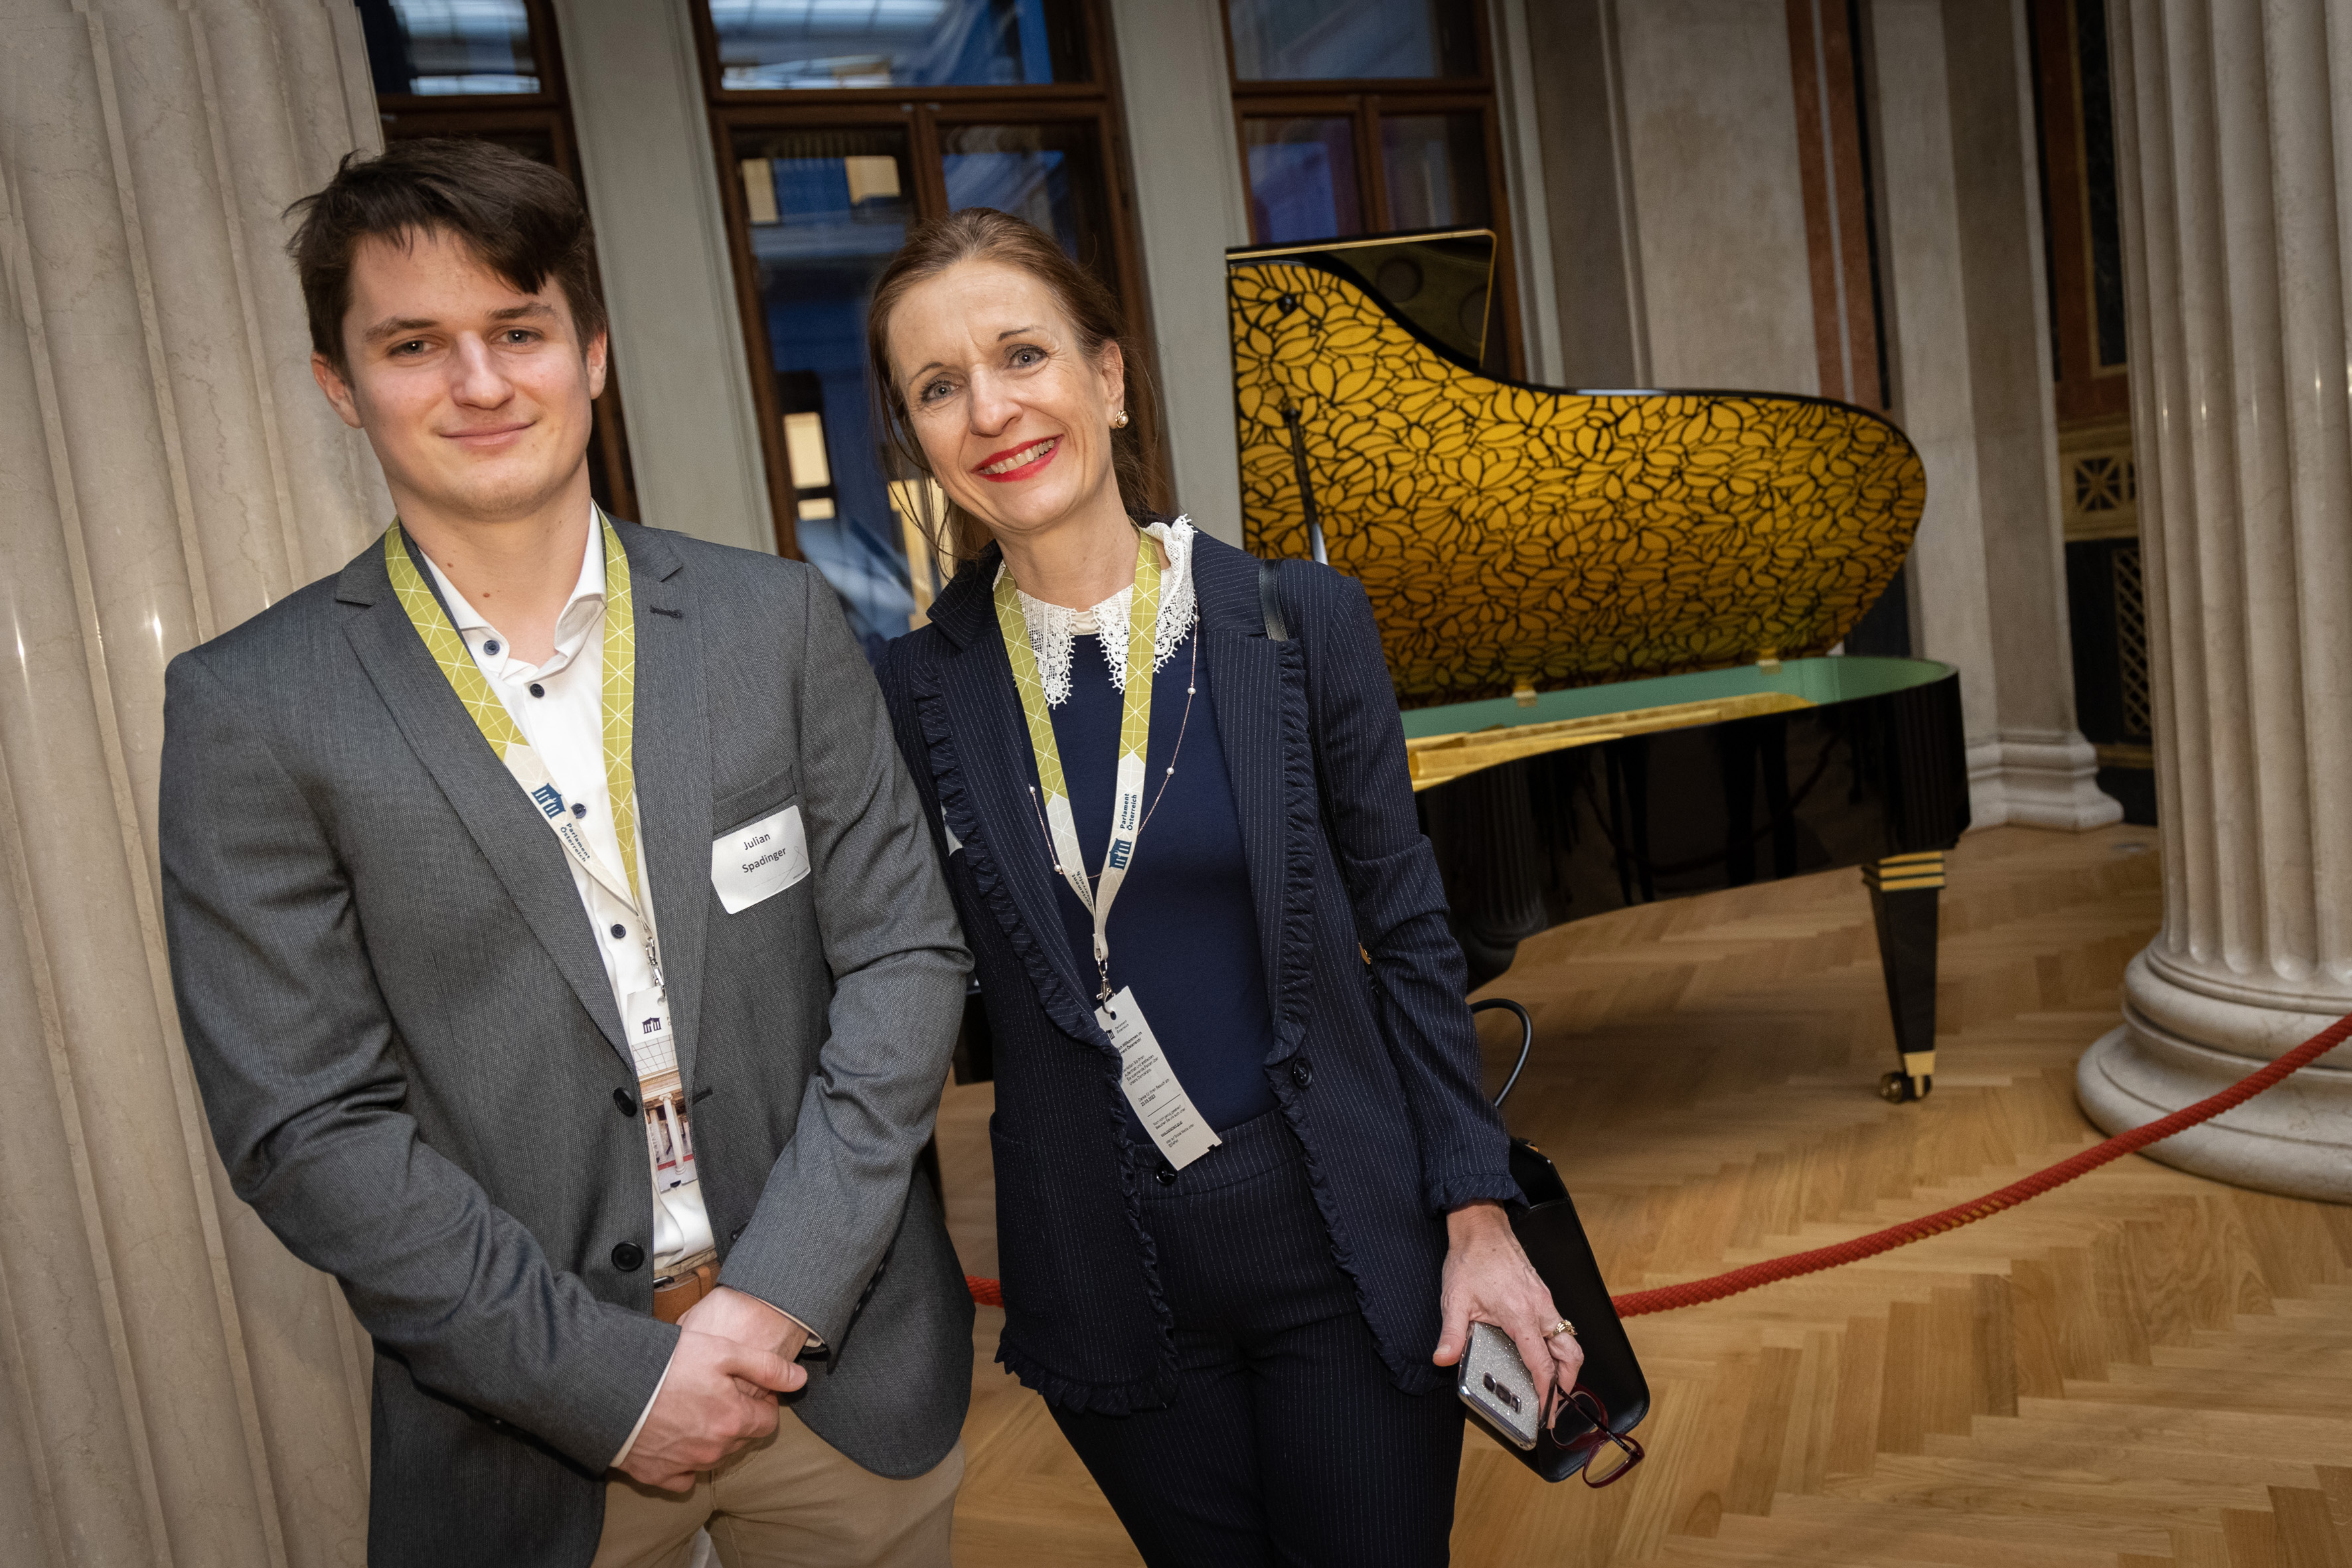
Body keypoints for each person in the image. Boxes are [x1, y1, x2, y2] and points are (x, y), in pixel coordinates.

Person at [159, 138, 973, 1568]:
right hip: (532, 1430)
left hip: (840, 1373)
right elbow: (310, 1124)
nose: (479, 382)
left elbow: (905, 956)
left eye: (518, 329)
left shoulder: (773, 624)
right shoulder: (252, 708)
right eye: (415, 344)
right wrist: (612, 1386)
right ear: (339, 383)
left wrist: (779, 1294)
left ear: (590, 353)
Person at [869, 208, 1585, 1567]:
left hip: (1341, 1239)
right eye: (939, 386)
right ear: (916, 437)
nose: (991, 410)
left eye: (1022, 354)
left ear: (1109, 378)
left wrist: (1476, 1207)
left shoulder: (1297, 620)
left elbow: (1412, 933)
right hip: (1101, 1276)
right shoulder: (911, 693)